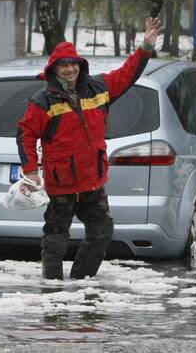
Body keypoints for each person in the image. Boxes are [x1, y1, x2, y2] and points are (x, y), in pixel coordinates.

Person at [16, 17, 163, 280]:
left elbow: (128, 73)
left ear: (80, 66)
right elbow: (25, 134)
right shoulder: (43, 101)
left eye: (73, 64)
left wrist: (146, 47)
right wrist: (31, 171)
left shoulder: (99, 88)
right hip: (62, 183)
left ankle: (81, 281)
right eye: (63, 65)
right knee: (56, 238)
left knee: (102, 232)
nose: (69, 69)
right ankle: (52, 287)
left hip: (92, 182)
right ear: (54, 69)